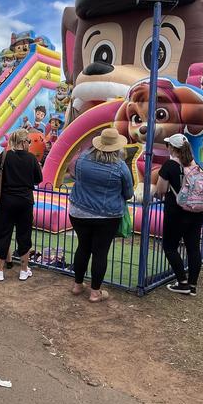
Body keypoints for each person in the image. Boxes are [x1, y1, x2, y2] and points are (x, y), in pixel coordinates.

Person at [68, 128, 133, 302]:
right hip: (107, 216)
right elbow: (128, 193)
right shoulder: (120, 167)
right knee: (100, 252)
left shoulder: (82, 159)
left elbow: (75, 178)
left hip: (79, 212)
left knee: (83, 247)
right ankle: (95, 292)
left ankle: (77, 284)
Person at [155, 133, 203, 296]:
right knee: (193, 248)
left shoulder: (169, 166)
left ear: (172, 148)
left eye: (168, 145)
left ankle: (182, 282)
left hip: (176, 212)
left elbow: (161, 190)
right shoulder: (195, 165)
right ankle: (192, 285)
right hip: (197, 211)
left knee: (170, 247)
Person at [0, 128, 43, 281]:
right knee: (24, 235)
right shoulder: (32, 159)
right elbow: (38, 179)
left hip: (6, 200)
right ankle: (24, 269)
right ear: (22, 142)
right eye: (28, 141)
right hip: (25, 201)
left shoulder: (5, 156)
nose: (29, 144)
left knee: (4, 234)